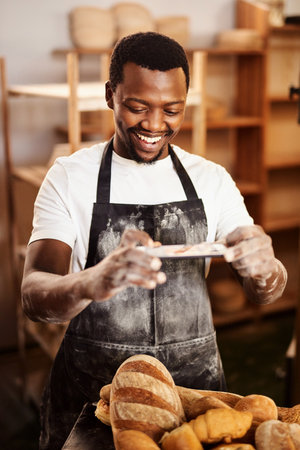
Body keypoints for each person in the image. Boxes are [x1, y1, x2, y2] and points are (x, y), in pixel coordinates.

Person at [21, 32, 287, 449]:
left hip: (193, 395)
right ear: (111, 95)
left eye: (172, 109)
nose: (155, 124)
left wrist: (266, 268)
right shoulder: (70, 176)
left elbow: (264, 292)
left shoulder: (210, 180)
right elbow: (34, 295)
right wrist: (94, 281)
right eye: (137, 107)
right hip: (96, 398)